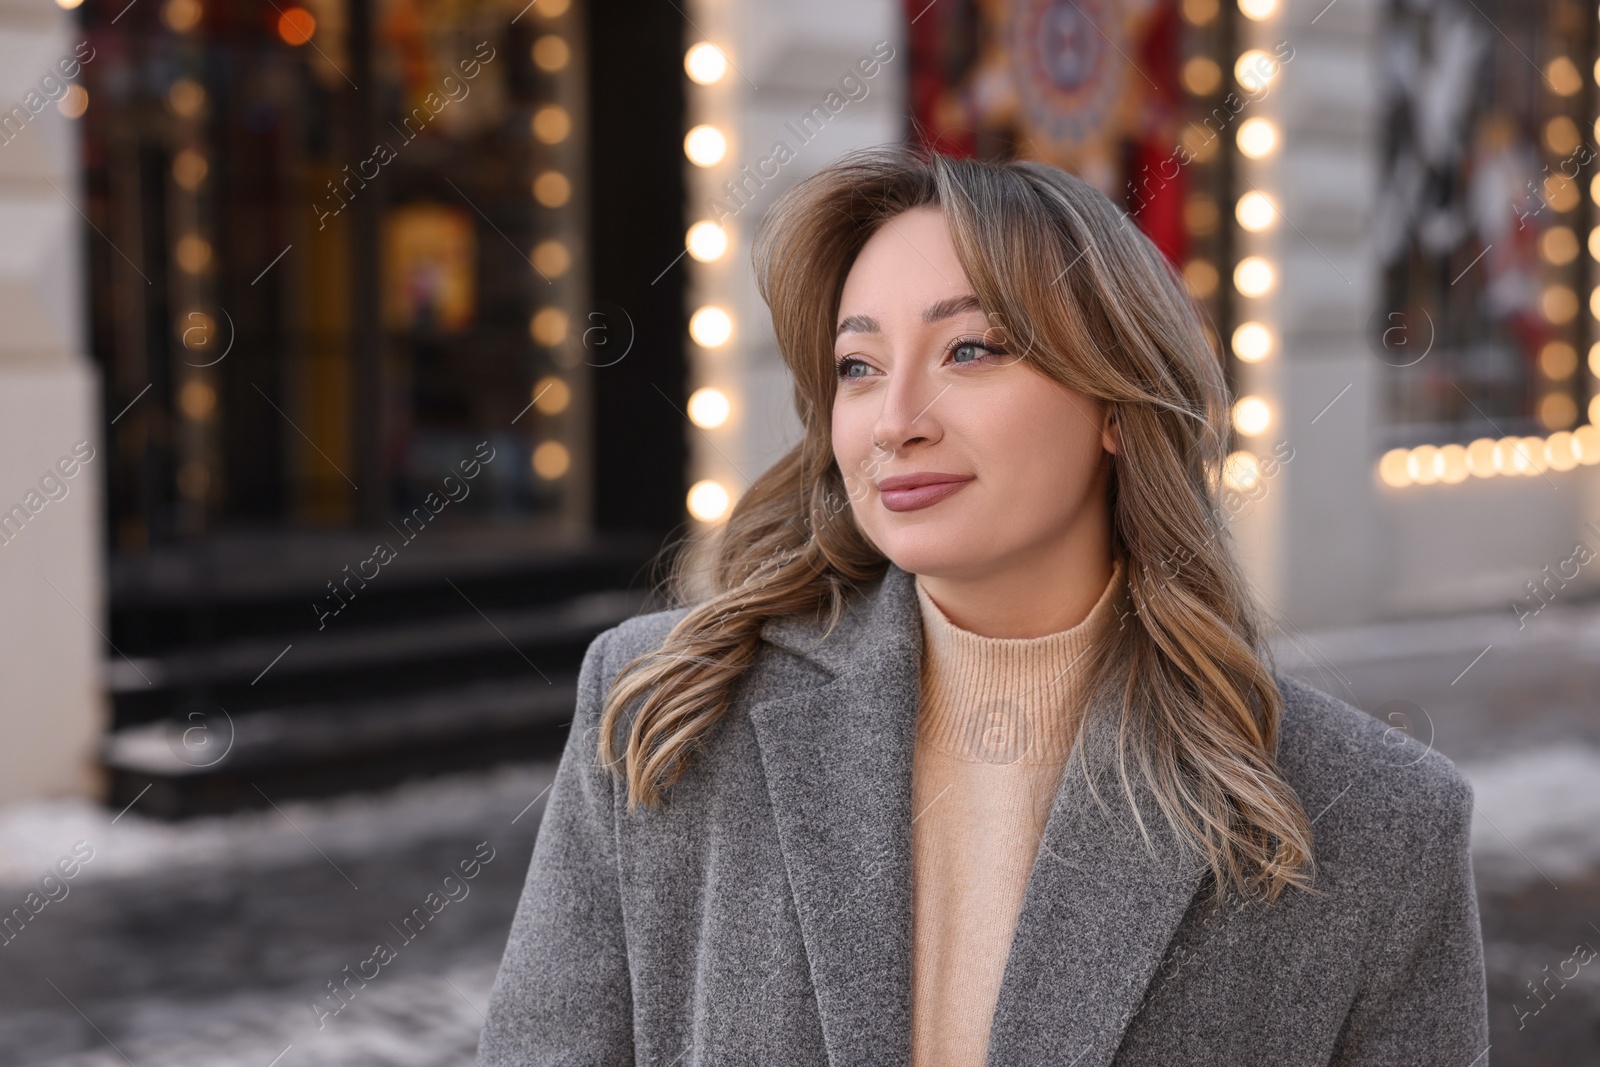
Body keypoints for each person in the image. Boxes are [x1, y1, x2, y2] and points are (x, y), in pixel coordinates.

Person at [474, 146, 1488, 1066]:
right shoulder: (668, 708)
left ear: (1117, 403)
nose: (895, 422)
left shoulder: (1376, 823)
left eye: (970, 350)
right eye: (857, 366)